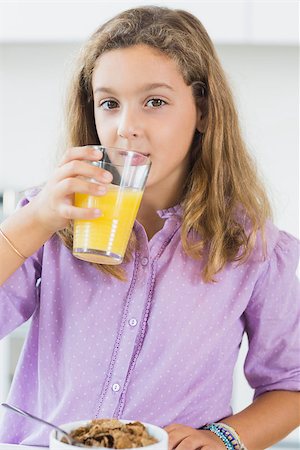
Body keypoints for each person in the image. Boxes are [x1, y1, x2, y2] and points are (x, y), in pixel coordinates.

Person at [0, 5, 299, 449]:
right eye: (110, 103)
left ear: (203, 111)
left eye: (155, 102)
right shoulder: (50, 222)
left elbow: (289, 385)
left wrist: (223, 439)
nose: (127, 128)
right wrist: (35, 220)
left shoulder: (248, 247)